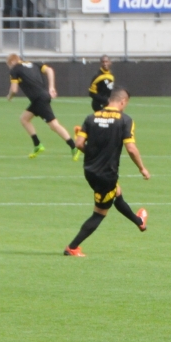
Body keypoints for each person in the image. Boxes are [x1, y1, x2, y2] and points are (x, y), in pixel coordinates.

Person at [64, 87, 149, 257]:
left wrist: (94, 154)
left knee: (116, 193)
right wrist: (142, 168)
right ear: (123, 101)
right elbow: (131, 148)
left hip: (90, 170)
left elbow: (79, 143)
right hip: (107, 174)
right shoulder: (124, 120)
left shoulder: (91, 117)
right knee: (99, 213)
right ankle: (72, 247)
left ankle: (139, 221)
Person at [6, 54, 80, 161]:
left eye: (8, 65)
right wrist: (51, 87)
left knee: (54, 125)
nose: (9, 67)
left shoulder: (14, 70)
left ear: (12, 62)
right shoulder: (33, 63)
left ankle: (74, 147)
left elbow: (14, 90)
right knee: (24, 119)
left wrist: (9, 97)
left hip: (39, 99)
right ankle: (37, 145)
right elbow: (50, 70)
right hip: (40, 97)